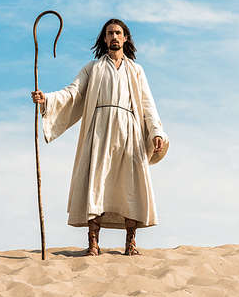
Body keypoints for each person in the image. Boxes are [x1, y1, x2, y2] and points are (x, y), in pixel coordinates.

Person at [31, 18, 168, 256]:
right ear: (104, 39)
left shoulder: (136, 70)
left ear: (126, 38)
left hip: (129, 132)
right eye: (110, 33)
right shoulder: (93, 68)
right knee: (97, 182)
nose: (114, 36)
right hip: (100, 130)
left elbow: (148, 104)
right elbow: (73, 92)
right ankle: (93, 243)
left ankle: (130, 243)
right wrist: (48, 99)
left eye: (118, 33)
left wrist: (156, 131)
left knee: (131, 184)